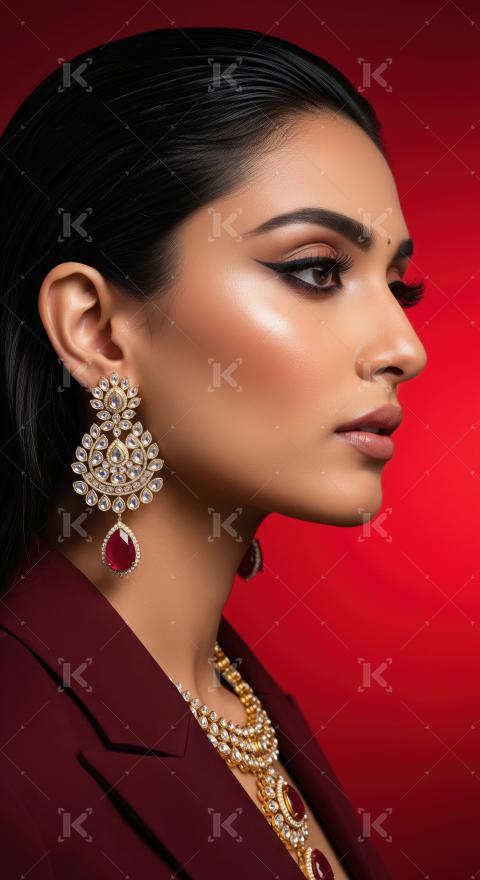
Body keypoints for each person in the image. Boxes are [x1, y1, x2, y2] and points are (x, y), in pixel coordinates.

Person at [0, 26, 427, 880]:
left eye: (398, 285)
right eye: (317, 269)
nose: (404, 348)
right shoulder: (20, 752)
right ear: (96, 329)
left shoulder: (239, 700)